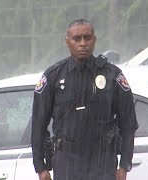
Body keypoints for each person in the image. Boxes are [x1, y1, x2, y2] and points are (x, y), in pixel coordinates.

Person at [31, 18, 138, 180]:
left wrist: (124, 166)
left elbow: (128, 124)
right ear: (67, 41)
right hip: (67, 162)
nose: (82, 43)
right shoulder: (53, 77)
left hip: (102, 162)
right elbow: (39, 125)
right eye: (76, 39)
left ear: (94, 40)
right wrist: (40, 167)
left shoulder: (112, 75)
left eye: (87, 38)